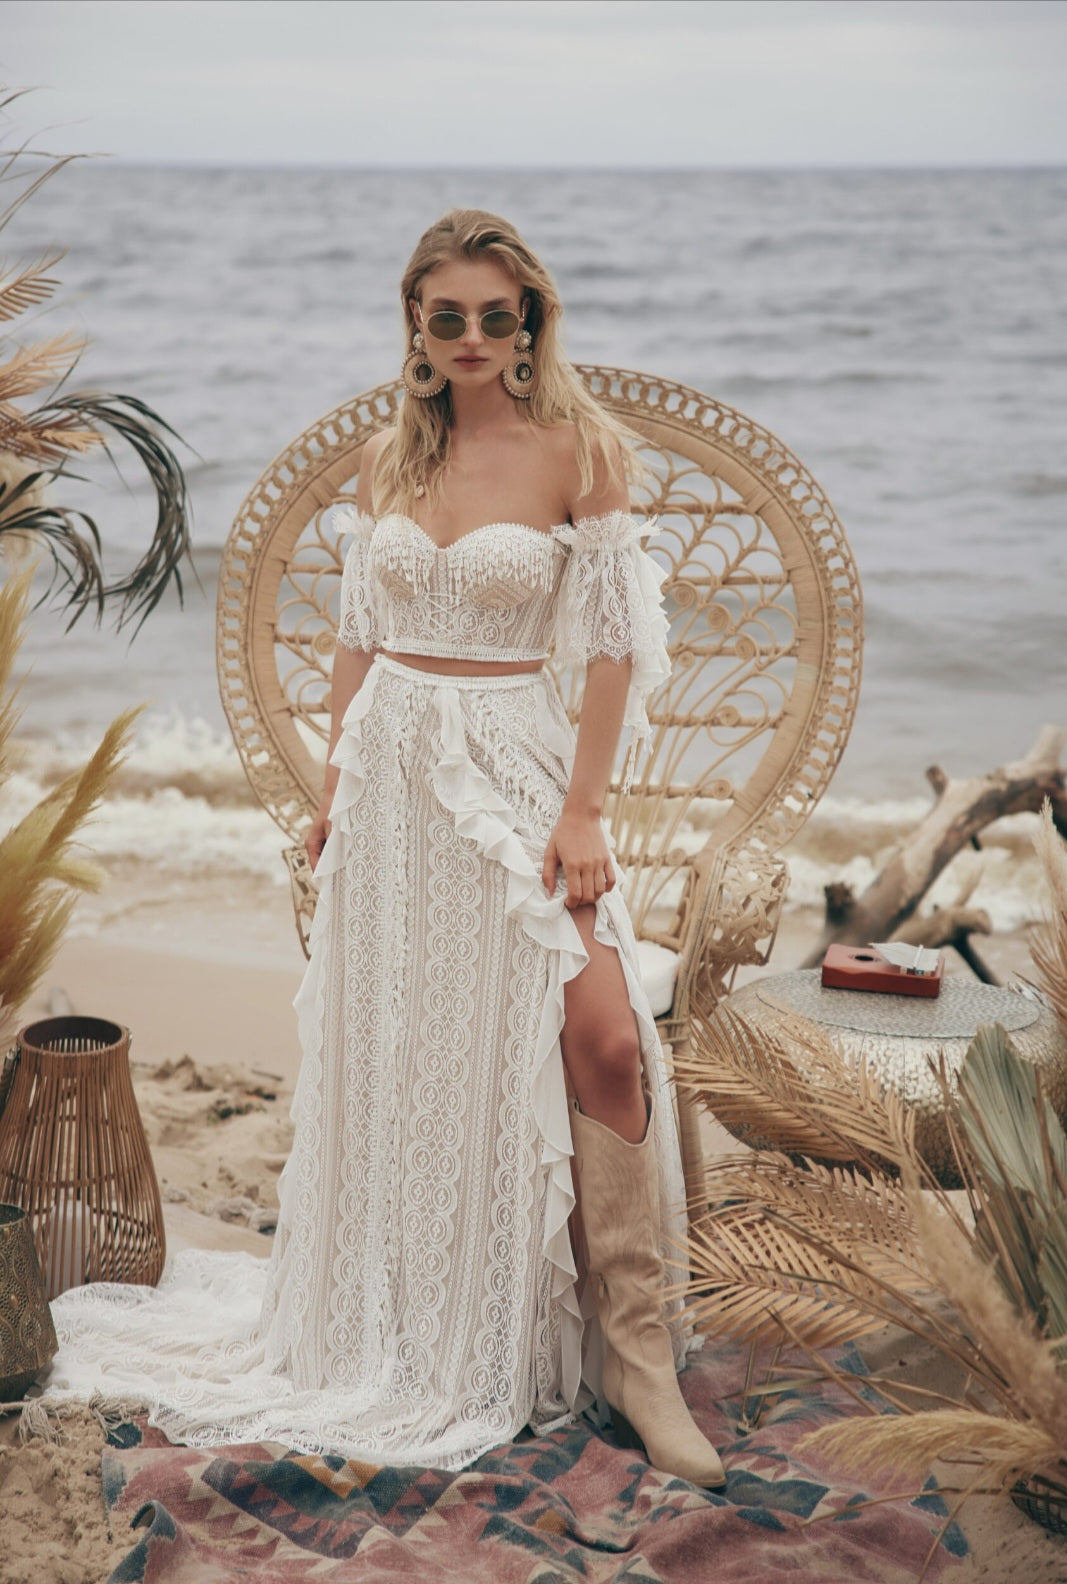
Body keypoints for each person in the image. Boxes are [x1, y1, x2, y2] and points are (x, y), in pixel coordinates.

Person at [35, 209, 724, 1488]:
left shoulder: (582, 452)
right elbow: (358, 632)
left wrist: (583, 814)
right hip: (395, 782)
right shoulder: (385, 463)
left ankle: (637, 1358)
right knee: (411, 1052)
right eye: (445, 315)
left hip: (517, 766)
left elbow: (618, 648)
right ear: (416, 322)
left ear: (529, 324)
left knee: (605, 1028)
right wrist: (338, 779)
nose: (470, 337)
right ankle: (415, 1315)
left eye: (495, 316)